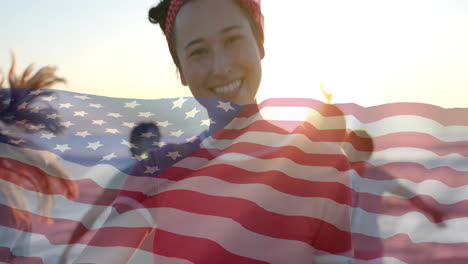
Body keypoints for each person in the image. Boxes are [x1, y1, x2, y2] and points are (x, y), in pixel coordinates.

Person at [76, 1, 353, 263]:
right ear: (181, 70)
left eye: (232, 40)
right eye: (198, 51)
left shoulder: (321, 164)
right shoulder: (160, 170)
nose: (221, 68)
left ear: (260, 42)